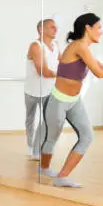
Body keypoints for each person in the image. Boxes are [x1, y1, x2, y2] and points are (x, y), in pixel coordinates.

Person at [40, 13, 103, 187]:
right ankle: (44, 167)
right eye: (99, 27)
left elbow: (99, 67)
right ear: (88, 28)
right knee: (52, 138)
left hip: (74, 101)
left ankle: (62, 177)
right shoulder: (78, 46)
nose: (102, 31)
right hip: (58, 100)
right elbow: (99, 74)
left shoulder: (85, 49)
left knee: (87, 136)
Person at [24, 19, 60, 161]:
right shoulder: (36, 46)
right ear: (41, 29)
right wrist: (63, 73)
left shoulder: (56, 45)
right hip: (31, 91)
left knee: (47, 120)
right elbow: (43, 72)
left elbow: (64, 62)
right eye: (52, 27)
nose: (55, 29)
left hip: (49, 90)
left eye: (56, 27)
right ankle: (30, 148)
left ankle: (37, 150)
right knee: (30, 120)